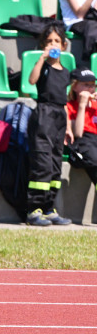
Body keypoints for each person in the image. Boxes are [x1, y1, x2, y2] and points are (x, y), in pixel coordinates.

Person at [24, 23, 72, 226]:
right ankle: (33, 210)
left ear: (64, 45)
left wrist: (68, 127)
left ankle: (49, 208)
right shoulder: (43, 67)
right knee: (42, 162)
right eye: (49, 41)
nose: (53, 44)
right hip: (44, 115)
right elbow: (31, 80)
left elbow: (65, 102)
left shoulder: (66, 72)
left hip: (59, 117)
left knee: (55, 164)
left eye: (57, 41)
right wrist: (41, 58)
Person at [66, 68, 97, 221]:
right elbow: (78, 133)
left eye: (92, 85)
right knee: (94, 159)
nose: (90, 89)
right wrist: (83, 105)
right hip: (83, 141)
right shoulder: (70, 106)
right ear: (75, 87)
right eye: (85, 85)